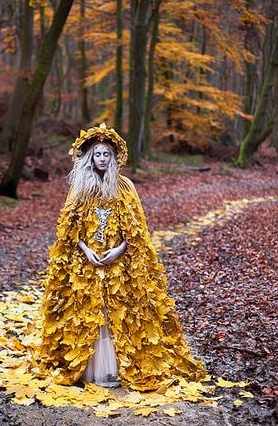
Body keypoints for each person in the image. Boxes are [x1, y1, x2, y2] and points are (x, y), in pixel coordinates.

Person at [36, 123, 206, 391]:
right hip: (87, 261)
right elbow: (71, 231)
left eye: (106, 154)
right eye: (98, 154)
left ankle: (121, 365)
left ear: (114, 158)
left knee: (119, 308)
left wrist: (119, 250)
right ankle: (86, 367)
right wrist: (86, 250)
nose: (102, 159)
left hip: (119, 261)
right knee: (89, 309)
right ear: (90, 157)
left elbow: (135, 229)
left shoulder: (125, 187)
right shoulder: (80, 189)